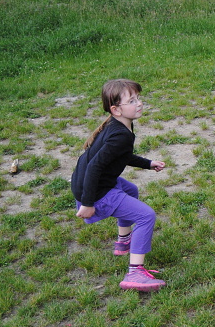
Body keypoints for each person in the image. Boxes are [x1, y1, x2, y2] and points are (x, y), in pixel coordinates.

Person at [71, 79, 167, 291]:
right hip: (95, 191)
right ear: (116, 109)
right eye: (131, 101)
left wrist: (148, 164)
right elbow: (94, 167)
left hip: (90, 183)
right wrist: (87, 203)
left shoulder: (119, 125)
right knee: (146, 216)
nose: (139, 103)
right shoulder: (120, 134)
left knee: (131, 190)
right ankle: (135, 273)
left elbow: (121, 156)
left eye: (138, 98)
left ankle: (124, 241)